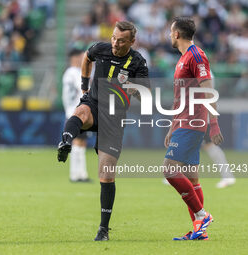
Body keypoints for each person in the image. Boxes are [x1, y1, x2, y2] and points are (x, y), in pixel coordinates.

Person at [57, 21, 149, 241]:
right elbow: (86, 59)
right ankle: (66, 141)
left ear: (132, 42)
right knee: (80, 112)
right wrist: (84, 84)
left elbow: (145, 95)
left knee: (106, 174)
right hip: (95, 103)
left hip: (114, 117)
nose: (115, 43)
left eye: (121, 41)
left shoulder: (137, 62)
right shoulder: (100, 48)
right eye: (114, 38)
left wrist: (130, 87)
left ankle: (103, 229)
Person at [163, 17, 223, 241]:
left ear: (177, 34)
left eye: (171, 32)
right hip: (183, 122)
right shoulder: (183, 59)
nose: (169, 35)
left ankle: (202, 215)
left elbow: (209, 91)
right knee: (192, 178)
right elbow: (180, 98)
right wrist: (171, 126)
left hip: (192, 123)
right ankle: (200, 231)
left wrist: (214, 124)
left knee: (169, 169)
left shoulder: (196, 56)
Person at [62, 48, 90, 182]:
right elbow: (83, 91)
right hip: (77, 112)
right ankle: (76, 174)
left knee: (81, 142)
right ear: (74, 58)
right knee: (78, 142)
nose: (82, 60)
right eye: (80, 57)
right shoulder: (75, 73)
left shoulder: (68, 73)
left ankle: (81, 174)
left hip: (73, 111)